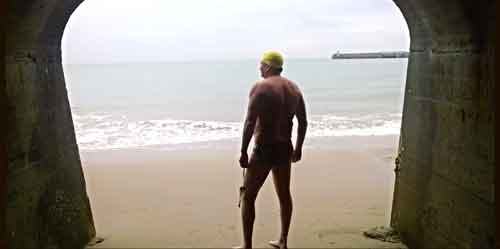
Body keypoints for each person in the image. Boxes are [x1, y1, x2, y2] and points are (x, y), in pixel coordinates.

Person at [234, 51, 308, 249]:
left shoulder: (261, 88)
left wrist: (243, 151)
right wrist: (299, 148)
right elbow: (303, 122)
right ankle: (283, 241)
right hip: (284, 149)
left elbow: (250, 122)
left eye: (261, 64)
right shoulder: (294, 89)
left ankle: (247, 245)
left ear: (268, 65)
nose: (259, 68)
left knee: (248, 196)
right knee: (284, 194)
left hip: (264, 149)